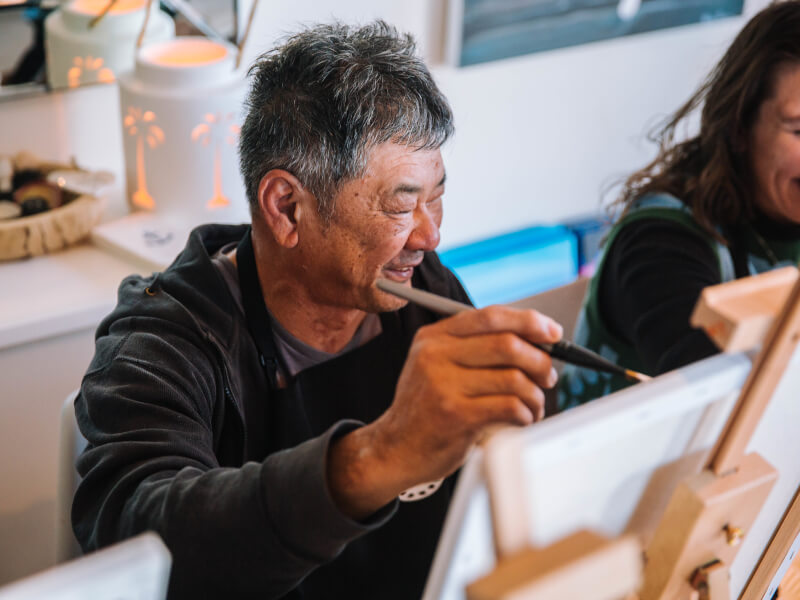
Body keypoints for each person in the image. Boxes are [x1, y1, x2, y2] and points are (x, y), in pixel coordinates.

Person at [72, 21, 562, 599]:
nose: (429, 234)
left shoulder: (422, 285)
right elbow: (140, 545)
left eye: (437, 198)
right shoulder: (165, 340)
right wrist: (382, 455)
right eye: (401, 205)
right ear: (287, 207)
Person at [558, 0, 800, 410]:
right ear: (739, 126)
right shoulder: (660, 240)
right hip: (624, 466)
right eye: (798, 129)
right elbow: (716, 399)